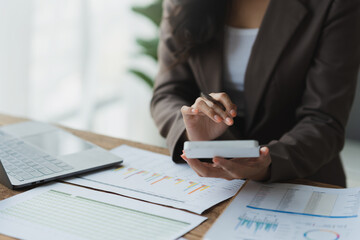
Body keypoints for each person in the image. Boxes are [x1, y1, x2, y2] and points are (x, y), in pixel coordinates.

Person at [150, 0, 360, 187]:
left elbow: (324, 120)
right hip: (210, 183)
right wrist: (192, 132)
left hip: (300, 178)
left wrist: (269, 161)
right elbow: (167, 93)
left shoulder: (335, 4)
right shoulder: (182, 3)